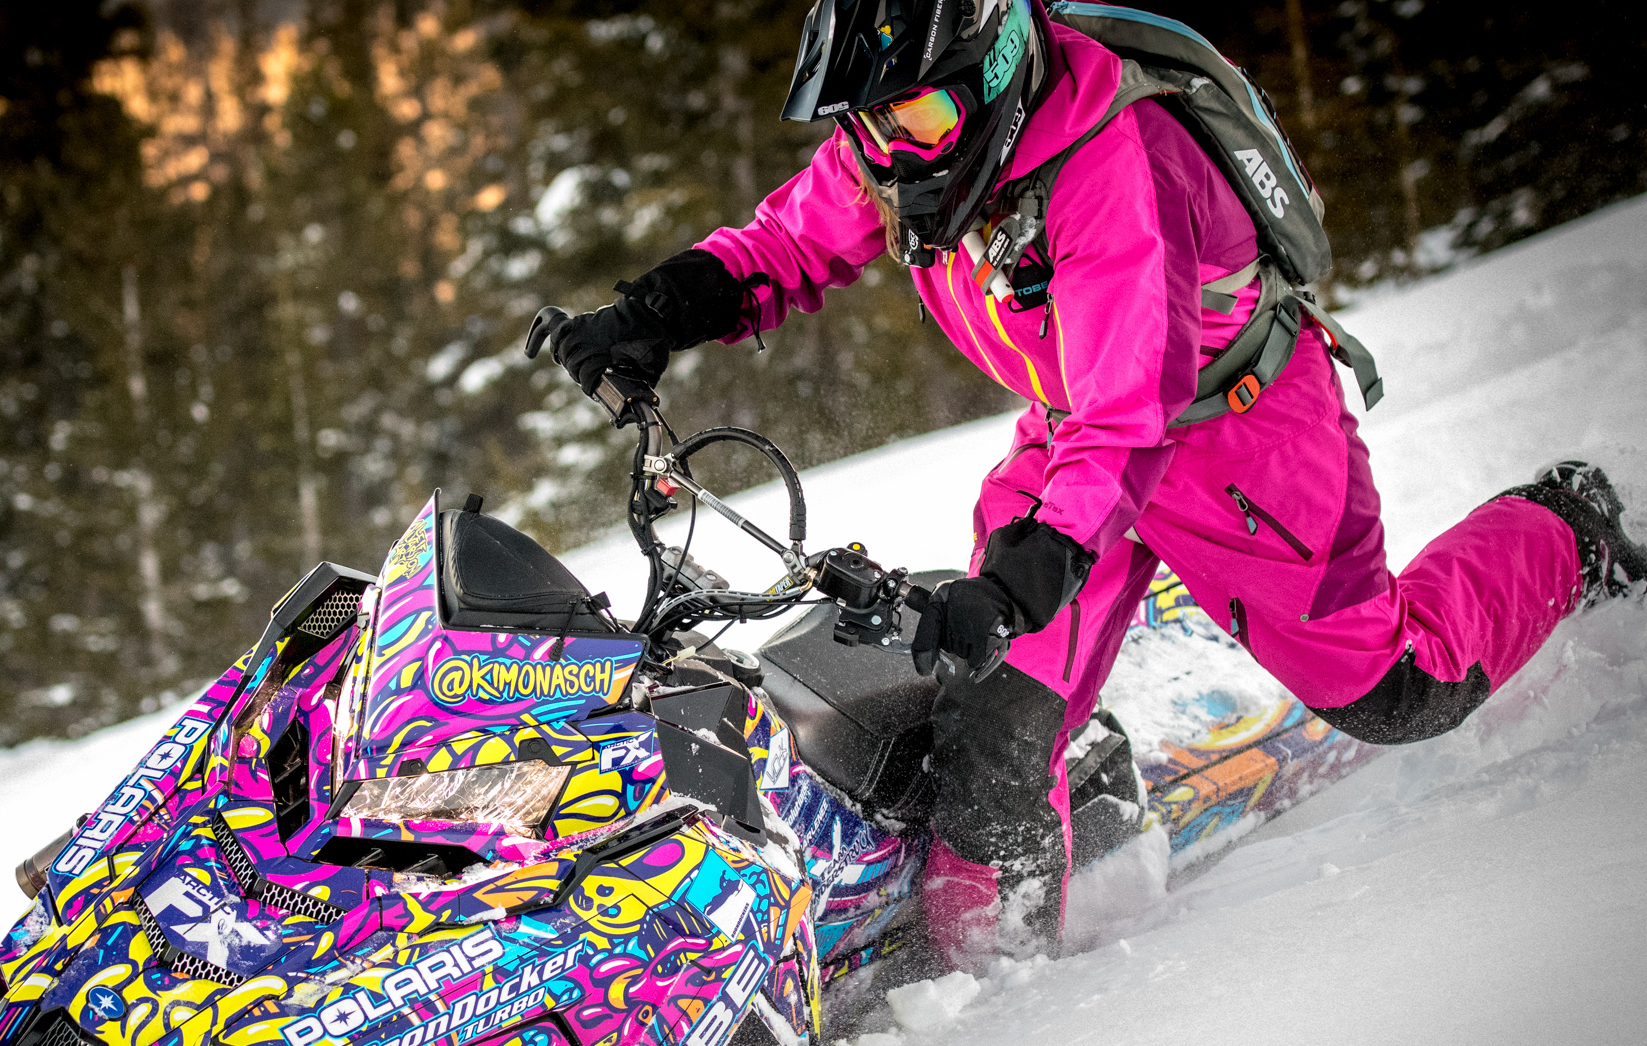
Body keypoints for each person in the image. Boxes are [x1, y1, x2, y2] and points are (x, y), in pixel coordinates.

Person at [539, 0, 1647, 966]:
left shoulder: (1116, 159)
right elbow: (783, 243)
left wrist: (1020, 582)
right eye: (867, 124)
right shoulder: (907, 141)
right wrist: (645, 315)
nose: (890, 149)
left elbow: (1132, 412)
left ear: (995, 68)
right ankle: (994, 998)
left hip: (1236, 435)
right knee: (993, 735)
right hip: (1079, 438)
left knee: (1393, 689)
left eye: (916, 116)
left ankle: (1566, 527)